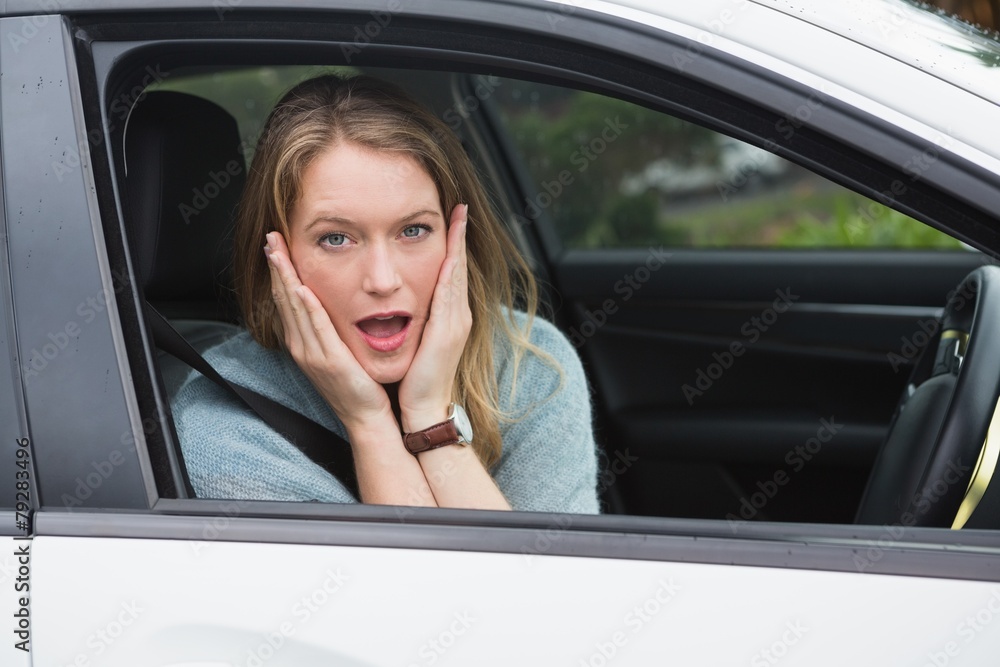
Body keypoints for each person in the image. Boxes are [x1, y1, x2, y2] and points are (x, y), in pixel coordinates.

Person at [173, 74, 599, 513]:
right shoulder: (225, 419)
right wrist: (368, 423)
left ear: (457, 238)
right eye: (336, 238)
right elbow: (410, 584)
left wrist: (431, 413)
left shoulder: (531, 363)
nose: (382, 279)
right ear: (275, 256)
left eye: (413, 230)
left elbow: (543, 581)